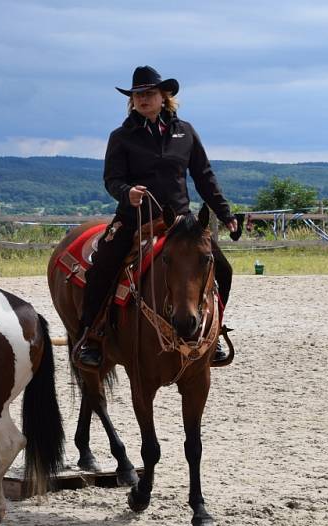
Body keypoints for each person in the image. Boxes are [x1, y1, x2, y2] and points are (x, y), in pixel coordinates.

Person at [76, 65, 237, 369]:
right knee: (102, 268)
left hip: (180, 221)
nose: (143, 99)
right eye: (138, 94)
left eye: (149, 93)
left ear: (164, 97)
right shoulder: (121, 137)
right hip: (135, 218)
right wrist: (127, 192)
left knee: (223, 269)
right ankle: (93, 336)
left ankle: (212, 333)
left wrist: (225, 213)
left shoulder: (185, 132)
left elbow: (204, 176)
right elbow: (112, 179)